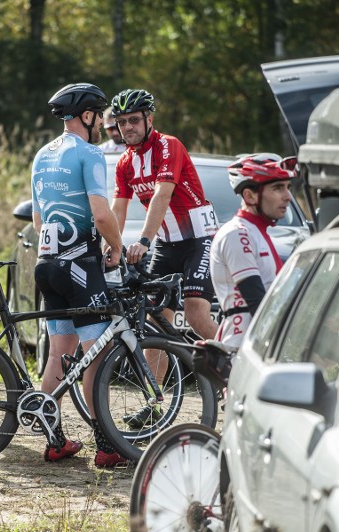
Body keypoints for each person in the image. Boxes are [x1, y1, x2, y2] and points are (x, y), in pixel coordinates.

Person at [31, 82, 128, 468]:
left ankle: (56, 441)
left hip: (47, 263)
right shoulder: (89, 154)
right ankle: (106, 446)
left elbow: (39, 219)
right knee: (96, 356)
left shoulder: (41, 154)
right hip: (79, 266)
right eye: (100, 115)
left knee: (59, 353)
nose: (103, 123)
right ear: (86, 116)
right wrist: (117, 248)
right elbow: (102, 214)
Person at [110, 88, 219, 426]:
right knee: (155, 322)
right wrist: (111, 244)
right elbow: (119, 207)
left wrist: (143, 239)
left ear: (149, 120)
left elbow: (162, 193)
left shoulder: (168, 146)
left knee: (197, 310)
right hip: (168, 245)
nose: (127, 127)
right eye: (122, 121)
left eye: (133, 120)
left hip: (199, 238)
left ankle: (238, 379)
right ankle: (155, 401)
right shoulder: (125, 163)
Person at [210, 153, 296, 347]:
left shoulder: (256, 232)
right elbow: (257, 301)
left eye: (288, 188)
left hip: (258, 343)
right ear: (249, 196)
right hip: (243, 347)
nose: (288, 196)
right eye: (277, 188)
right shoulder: (237, 234)